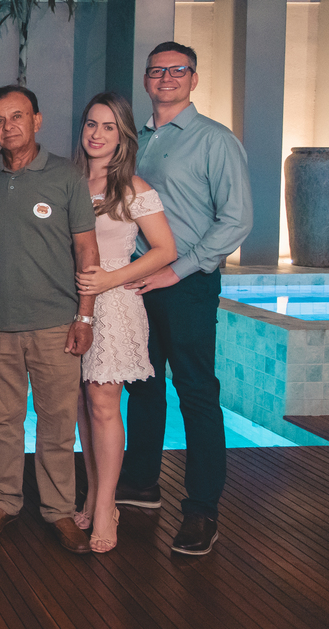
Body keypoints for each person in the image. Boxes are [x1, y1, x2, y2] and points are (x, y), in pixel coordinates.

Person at [116, 42, 252, 556]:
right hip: (139, 279)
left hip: (187, 283)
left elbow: (236, 220)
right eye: (157, 70)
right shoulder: (136, 141)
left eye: (178, 70)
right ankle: (141, 482)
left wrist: (179, 268)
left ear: (194, 79)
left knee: (195, 391)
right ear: (146, 80)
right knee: (143, 385)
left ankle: (201, 510)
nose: (167, 77)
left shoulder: (215, 140)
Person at [0, 85, 98, 555]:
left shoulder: (65, 176)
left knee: (57, 423)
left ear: (37, 120)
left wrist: (85, 317)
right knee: (2, 421)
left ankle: (59, 510)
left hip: (55, 323)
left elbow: (87, 250)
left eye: (17, 116)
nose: (8, 127)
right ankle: (4, 500)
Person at [72, 92, 177, 553]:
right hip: (71, 300)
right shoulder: (69, 182)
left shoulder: (133, 187)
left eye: (108, 126)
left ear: (123, 136)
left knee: (102, 403)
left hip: (114, 303)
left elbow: (165, 250)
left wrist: (113, 278)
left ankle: (106, 506)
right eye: (91, 124)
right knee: (81, 402)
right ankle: (93, 492)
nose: (97, 134)